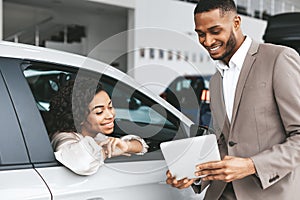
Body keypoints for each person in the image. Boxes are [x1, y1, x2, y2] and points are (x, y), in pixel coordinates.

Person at [166, 0, 300, 199]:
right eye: (201, 34)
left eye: (215, 31)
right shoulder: (216, 80)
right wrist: (194, 174)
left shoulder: (278, 58)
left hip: (267, 193)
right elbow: (224, 142)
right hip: (221, 193)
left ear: (236, 23)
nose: (207, 41)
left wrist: (251, 165)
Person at [49, 77, 148, 175]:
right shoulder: (63, 138)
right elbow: (81, 162)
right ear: (79, 118)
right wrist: (107, 151)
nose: (110, 115)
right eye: (99, 112)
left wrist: (127, 146)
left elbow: (142, 146)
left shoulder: (96, 135)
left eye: (110, 107)